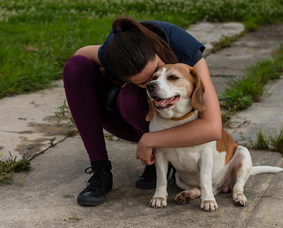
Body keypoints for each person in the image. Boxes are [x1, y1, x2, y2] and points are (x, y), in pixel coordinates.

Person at [62, 17, 222, 206]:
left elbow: (213, 129)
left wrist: (150, 140)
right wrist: (115, 80)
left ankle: (156, 161)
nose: (152, 85)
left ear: (156, 49)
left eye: (155, 70)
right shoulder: (112, 51)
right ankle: (100, 170)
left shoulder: (185, 50)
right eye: (143, 82)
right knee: (75, 67)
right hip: (136, 119)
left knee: (130, 98)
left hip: (174, 128)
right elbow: (79, 54)